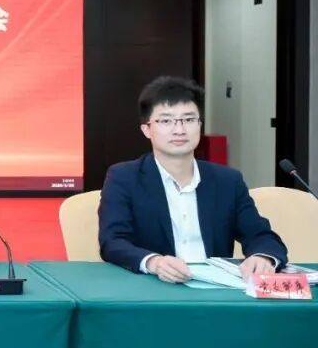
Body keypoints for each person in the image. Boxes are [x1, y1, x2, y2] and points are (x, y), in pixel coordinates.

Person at [99, 76, 287, 283]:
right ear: (146, 129)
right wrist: (154, 262)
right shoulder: (124, 177)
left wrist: (262, 257)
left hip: (216, 290)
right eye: (166, 121)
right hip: (154, 287)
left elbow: (261, 236)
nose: (179, 130)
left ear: (200, 124)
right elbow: (113, 241)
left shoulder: (227, 181)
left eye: (188, 120)